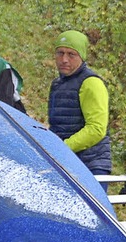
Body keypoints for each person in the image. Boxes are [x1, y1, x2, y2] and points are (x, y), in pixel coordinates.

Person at [48, 30, 112, 179]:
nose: (64, 59)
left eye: (71, 54)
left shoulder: (91, 83)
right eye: (60, 53)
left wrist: (63, 147)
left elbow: (96, 129)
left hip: (91, 164)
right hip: (65, 161)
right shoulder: (57, 84)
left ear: (81, 57)